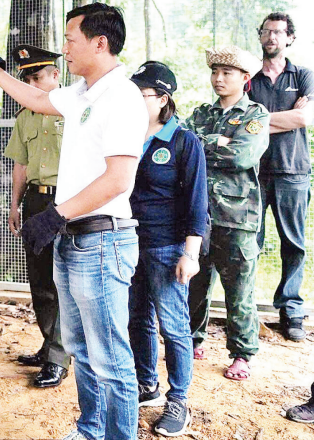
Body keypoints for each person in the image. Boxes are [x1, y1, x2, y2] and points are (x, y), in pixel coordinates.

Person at [0, 2, 148, 440]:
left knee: (110, 356)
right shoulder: (82, 94)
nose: (65, 50)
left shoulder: (123, 97)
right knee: (80, 350)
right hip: (73, 240)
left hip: (102, 241)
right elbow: (36, 98)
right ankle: (90, 430)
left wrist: (56, 213)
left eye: (71, 40)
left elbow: (118, 178)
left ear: (99, 42)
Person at [128, 61, 208, 437]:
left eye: (140, 94)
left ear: (162, 99)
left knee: (174, 326)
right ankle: (147, 386)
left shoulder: (183, 141)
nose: (132, 99)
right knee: (138, 319)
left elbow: (196, 204)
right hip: (127, 243)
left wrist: (189, 254)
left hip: (167, 247)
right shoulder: (125, 135)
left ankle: (179, 400)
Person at [185, 45, 269, 381]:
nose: (218, 79)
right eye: (215, 72)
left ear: (245, 79)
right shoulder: (202, 112)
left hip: (238, 217)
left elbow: (242, 157)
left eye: (227, 73)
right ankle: (192, 339)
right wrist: (217, 141)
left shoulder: (256, 115)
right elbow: (184, 144)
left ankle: (242, 354)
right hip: (198, 215)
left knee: (239, 291)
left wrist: (208, 144)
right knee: (194, 283)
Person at [3, 44, 72, 389]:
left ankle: (60, 356)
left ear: (56, 75)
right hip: (35, 201)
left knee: (64, 281)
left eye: (39, 76)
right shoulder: (25, 117)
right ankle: (50, 346)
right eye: (28, 77)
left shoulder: (75, 109)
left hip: (67, 203)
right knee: (41, 281)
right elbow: (20, 164)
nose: (32, 82)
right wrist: (15, 205)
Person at [249, 12, 314, 342]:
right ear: (260, 36)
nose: (272, 37)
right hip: (253, 174)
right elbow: (239, 124)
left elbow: (305, 118)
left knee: (294, 245)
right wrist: (284, 118)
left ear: (289, 38)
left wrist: (260, 119)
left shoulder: (303, 75)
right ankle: (246, 315)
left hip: (294, 172)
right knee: (249, 245)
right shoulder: (248, 79)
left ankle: (291, 314)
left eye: (278, 32)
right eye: (267, 31)